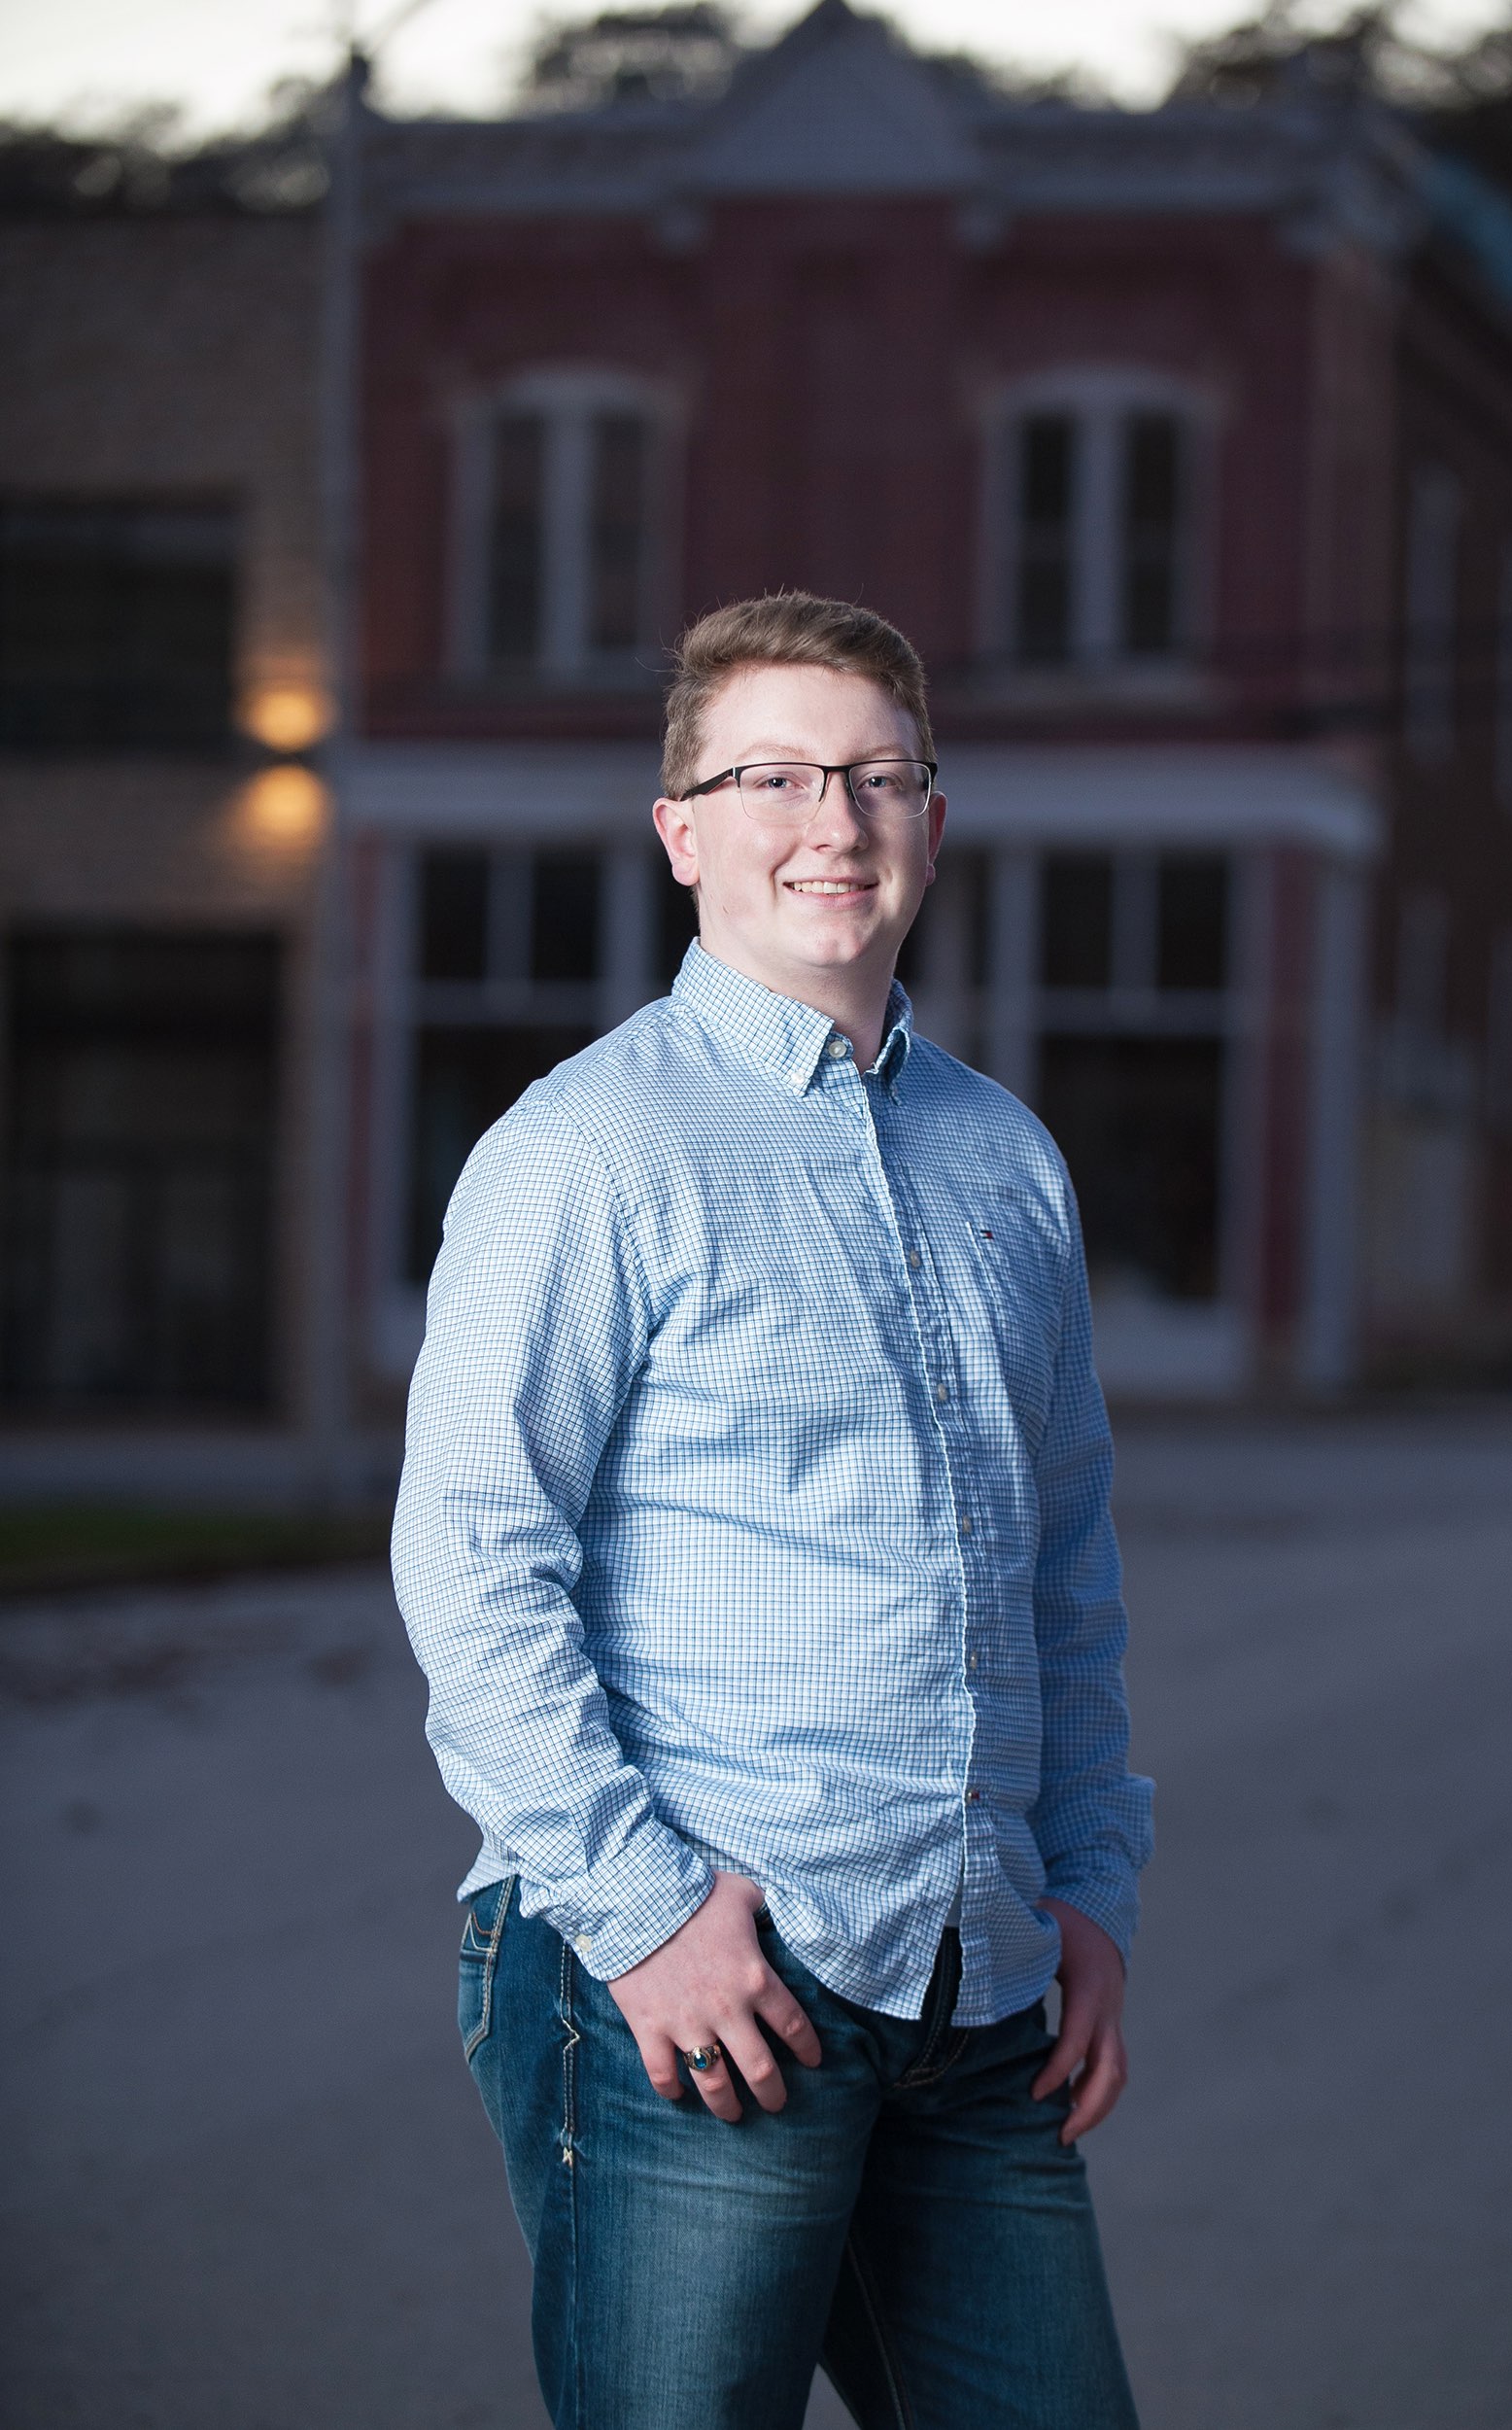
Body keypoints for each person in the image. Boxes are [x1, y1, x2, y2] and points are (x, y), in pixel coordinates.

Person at [393, 592, 1154, 2430]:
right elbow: (474, 1554)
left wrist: (1088, 1885)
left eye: (880, 777)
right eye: (778, 777)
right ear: (682, 831)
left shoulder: (1003, 1155)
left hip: (981, 1995)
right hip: (700, 1982)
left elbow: (1061, 1565)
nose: (836, 822)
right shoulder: (591, 1148)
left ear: (936, 825)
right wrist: (648, 1915)